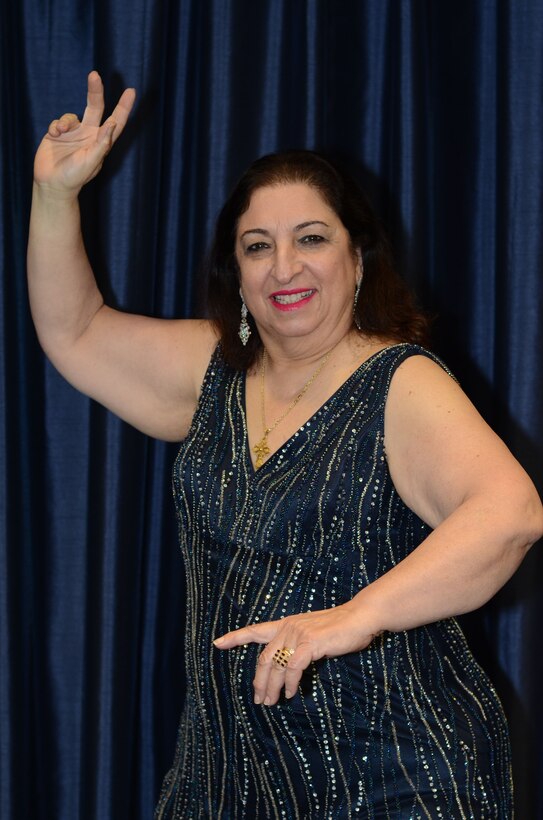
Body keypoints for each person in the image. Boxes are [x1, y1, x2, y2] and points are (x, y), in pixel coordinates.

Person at [28, 72, 543, 819]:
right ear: (235, 275)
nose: (284, 267)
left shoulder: (398, 382)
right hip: (228, 782)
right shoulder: (213, 375)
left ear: (357, 259)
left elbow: (511, 514)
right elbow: (73, 331)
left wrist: (348, 618)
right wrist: (54, 197)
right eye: (256, 246)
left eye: (311, 239)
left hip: (396, 781)